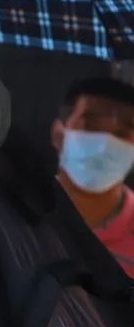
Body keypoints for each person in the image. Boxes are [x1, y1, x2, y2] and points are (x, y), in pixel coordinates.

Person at [51, 77, 134, 274]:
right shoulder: (13, 212)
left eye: (121, 134)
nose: (104, 144)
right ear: (58, 134)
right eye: (91, 127)